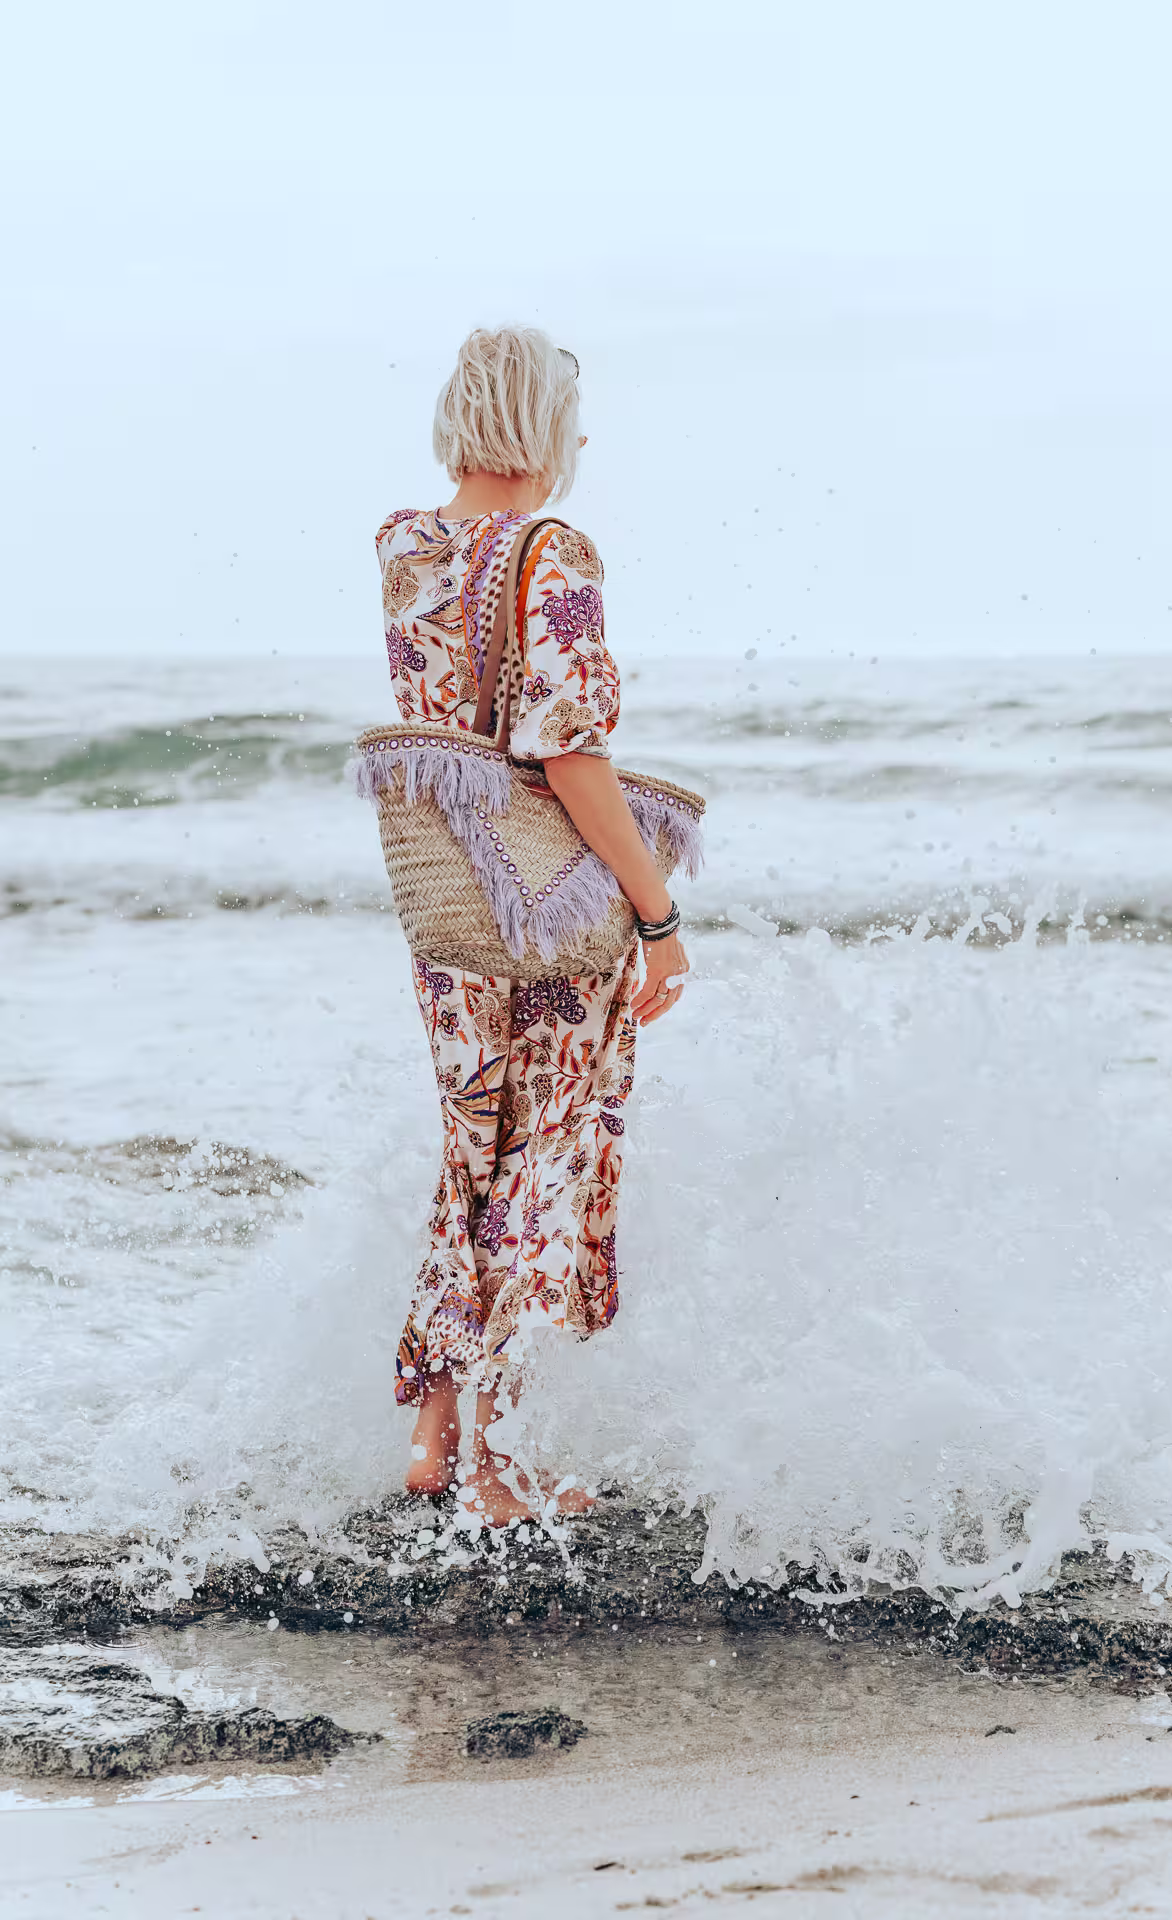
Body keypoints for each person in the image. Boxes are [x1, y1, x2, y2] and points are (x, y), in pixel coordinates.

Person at [374, 326, 689, 1525]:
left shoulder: (404, 547)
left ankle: (435, 1429)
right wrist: (656, 914)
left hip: (448, 903)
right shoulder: (554, 550)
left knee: (474, 1147)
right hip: (545, 911)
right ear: (543, 425)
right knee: (545, 1158)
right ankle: (494, 1469)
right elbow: (565, 752)